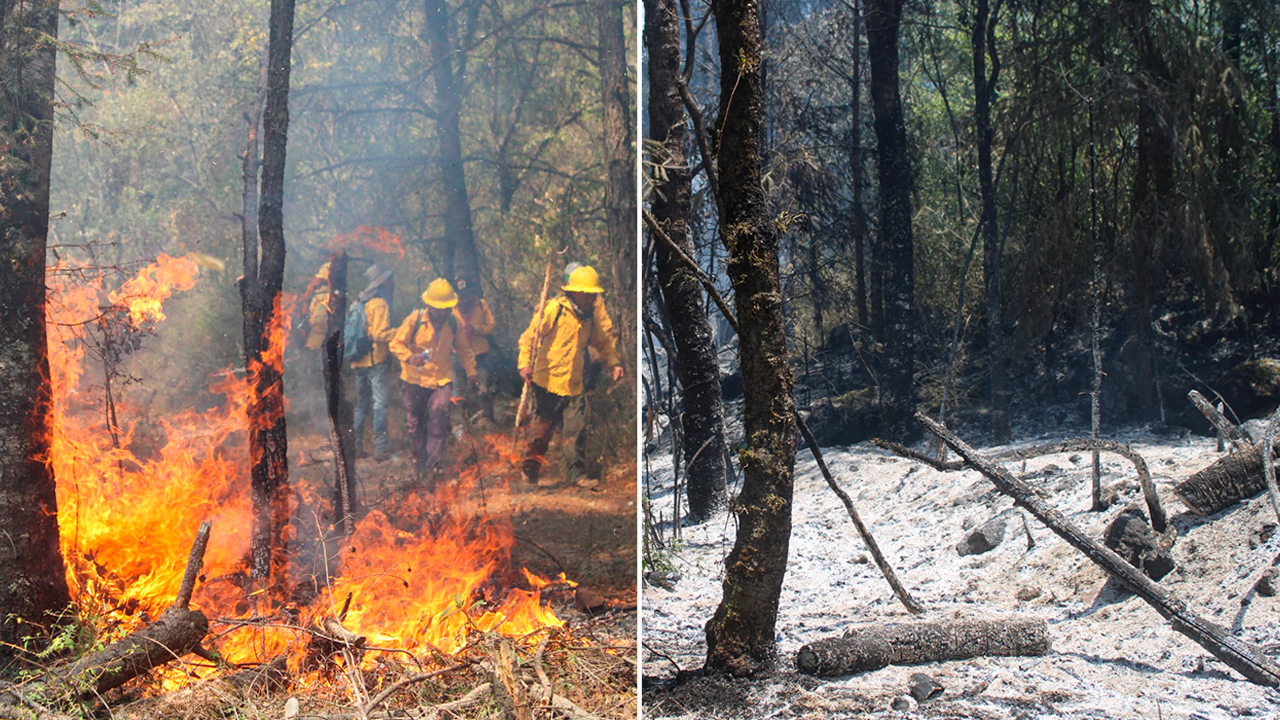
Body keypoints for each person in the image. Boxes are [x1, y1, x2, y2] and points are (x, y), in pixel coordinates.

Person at [518, 264, 624, 488]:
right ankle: (529, 472)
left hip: (574, 385)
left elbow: (604, 343)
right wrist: (524, 364)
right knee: (541, 433)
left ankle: (577, 476)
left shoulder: (589, 319)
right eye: (584, 295)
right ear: (573, 292)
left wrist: (614, 363)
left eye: (591, 295)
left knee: (575, 433)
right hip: (546, 383)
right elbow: (530, 337)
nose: (588, 299)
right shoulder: (554, 309)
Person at [390, 278, 477, 484]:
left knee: (439, 418)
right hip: (414, 380)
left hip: (441, 380)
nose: (443, 312)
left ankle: (432, 468)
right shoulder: (416, 319)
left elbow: (465, 350)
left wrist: (472, 373)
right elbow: (396, 343)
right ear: (429, 305)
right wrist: (410, 357)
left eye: (447, 308)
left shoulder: (454, 322)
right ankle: (419, 464)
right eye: (439, 308)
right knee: (416, 424)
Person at [349, 264, 396, 461]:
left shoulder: (356, 303)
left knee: (361, 406)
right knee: (380, 404)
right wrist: (400, 333)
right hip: (376, 361)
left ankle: (356, 447)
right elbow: (379, 334)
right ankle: (381, 449)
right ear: (383, 282)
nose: (392, 282)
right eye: (389, 279)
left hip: (357, 361)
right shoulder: (380, 304)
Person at [452, 278, 498, 422]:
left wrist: (477, 329)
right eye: (461, 295)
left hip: (480, 354)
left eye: (466, 295)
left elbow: (492, 326)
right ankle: (460, 423)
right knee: (458, 388)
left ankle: (489, 419)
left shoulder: (481, 304)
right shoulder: (451, 309)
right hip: (458, 356)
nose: (464, 299)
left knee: (482, 388)